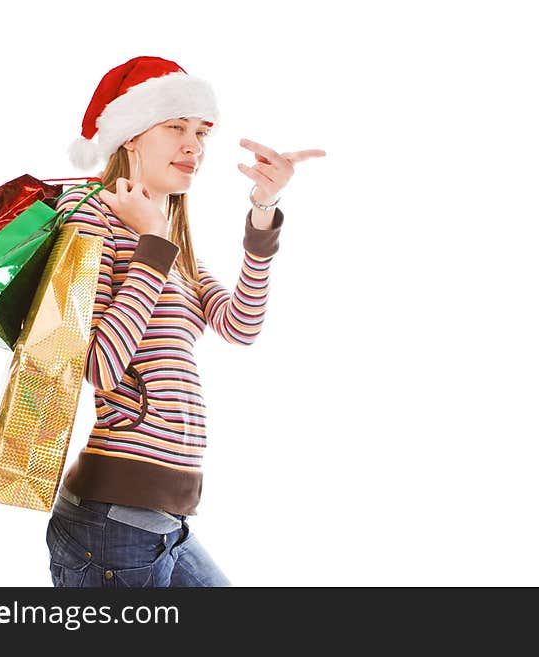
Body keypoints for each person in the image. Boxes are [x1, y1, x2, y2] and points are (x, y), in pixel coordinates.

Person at [45, 55, 325, 587]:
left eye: (201, 131)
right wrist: (151, 245)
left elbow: (240, 324)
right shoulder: (92, 220)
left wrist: (264, 210)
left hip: (162, 522)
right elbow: (98, 366)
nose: (194, 146)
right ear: (130, 136)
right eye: (176, 127)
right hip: (111, 524)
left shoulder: (166, 236)